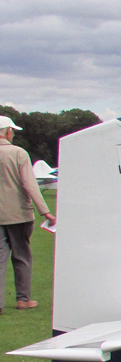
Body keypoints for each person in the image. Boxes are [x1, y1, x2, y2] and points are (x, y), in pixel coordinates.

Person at [0, 115, 56, 314]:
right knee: (22, 257)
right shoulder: (19, 153)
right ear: (7, 131)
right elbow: (29, 185)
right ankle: (23, 299)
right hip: (19, 215)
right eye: (12, 130)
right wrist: (46, 211)